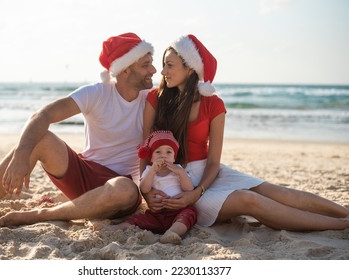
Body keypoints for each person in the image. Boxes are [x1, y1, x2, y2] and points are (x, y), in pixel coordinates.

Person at [142, 34, 349, 231]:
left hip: (207, 174)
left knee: (278, 192)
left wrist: (198, 192)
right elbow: (143, 150)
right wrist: (147, 193)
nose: (163, 72)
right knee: (249, 200)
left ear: (190, 69)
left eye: (169, 65)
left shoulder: (213, 104)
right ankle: (340, 225)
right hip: (174, 183)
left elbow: (213, 162)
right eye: (164, 65)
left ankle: (344, 213)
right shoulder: (155, 99)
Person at [0, 32, 157, 226]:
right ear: (124, 70)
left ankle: (41, 214)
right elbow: (42, 116)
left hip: (120, 187)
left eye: (151, 62)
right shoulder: (97, 93)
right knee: (41, 139)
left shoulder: (152, 100)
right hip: (83, 173)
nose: (153, 70)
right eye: (145, 65)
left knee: (126, 190)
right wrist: (21, 155)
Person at [102, 130, 197, 244]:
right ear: (151, 158)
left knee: (189, 214)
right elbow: (144, 189)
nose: (163, 155)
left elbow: (189, 189)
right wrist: (152, 171)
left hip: (178, 211)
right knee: (137, 219)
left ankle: (172, 232)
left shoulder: (178, 169)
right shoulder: (149, 171)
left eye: (168, 152)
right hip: (157, 213)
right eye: (158, 152)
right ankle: (118, 227)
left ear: (174, 157)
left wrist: (181, 173)